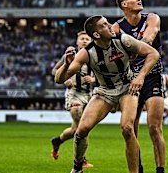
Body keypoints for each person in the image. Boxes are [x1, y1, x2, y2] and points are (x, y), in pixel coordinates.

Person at [55, 15, 160, 173]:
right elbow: (59, 79)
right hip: (104, 91)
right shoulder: (87, 52)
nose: (111, 25)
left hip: (127, 88)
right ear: (97, 34)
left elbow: (153, 54)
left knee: (127, 128)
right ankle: (77, 166)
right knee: (81, 131)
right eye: (105, 25)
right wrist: (66, 65)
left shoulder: (124, 40)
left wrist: (140, 76)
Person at [113, 0, 166, 173]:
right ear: (124, 4)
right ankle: (139, 168)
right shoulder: (117, 27)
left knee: (154, 127)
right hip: (130, 81)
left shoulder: (152, 18)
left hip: (152, 76)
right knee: (130, 129)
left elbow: (148, 39)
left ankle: (160, 170)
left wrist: (131, 50)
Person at [51, 31, 96, 168]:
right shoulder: (70, 55)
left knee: (76, 129)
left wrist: (93, 79)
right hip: (74, 93)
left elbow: (103, 74)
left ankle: (57, 141)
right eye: (82, 39)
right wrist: (65, 79)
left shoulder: (95, 55)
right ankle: (81, 160)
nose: (84, 41)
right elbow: (55, 71)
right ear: (77, 42)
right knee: (82, 125)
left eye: (87, 39)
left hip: (89, 95)